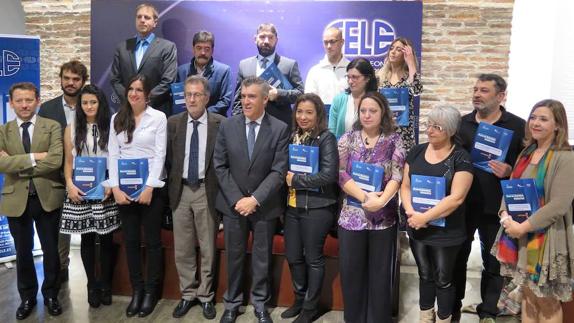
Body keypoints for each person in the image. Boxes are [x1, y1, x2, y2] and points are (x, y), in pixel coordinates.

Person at [214, 76, 289, 323]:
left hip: (264, 206)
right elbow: (220, 166)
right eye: (243, 96)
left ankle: (259, 304)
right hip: (233, 205)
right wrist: (238, 199)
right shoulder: (227, 126)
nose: (246, 101)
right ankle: (232, 304)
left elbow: (279, 171)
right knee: (233, 256)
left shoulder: (279, 129)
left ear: (265, 99)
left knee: (261, 257)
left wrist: (255, 199)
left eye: (252, 96)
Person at [453, 74, 525, 323]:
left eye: (484, 90)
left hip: (497, 207)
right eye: (475, 89)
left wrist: (510, 171)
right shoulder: (461, 124)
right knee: (457, 257)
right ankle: (453, 307)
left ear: (501, 96)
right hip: (461, 204)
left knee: (493, 263)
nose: (477, 94)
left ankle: (488, 312)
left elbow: (527, 166)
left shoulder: (517, 126)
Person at [494, 99, 574, 323]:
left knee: (546, 301)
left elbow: (560, 203)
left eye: (543, 119)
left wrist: (524, 227)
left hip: (546, 239)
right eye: (533, 117)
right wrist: (505, 217)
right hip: (519, 237)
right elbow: (509, 190)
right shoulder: (526, 153)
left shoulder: (566, 156)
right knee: (527, 296)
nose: (535, 123)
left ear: (558, 125)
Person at [400, 106, 474, 323]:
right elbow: (406, 186)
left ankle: (444, 318)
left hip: (447, 232)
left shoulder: (460, 157)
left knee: (443, 278)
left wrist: (425, 217)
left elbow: (457, 198)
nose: (430, 130)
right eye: (429, 124)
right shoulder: (416, 151)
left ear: (450, 130)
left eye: (437, 127)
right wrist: (411, 211)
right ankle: (425, 317)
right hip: (417, 226)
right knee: (424, 275)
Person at [337, 91, 405, 322]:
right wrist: (365, 198)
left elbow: (397, 175)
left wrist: (381, 201)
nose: (367, 115)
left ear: (383, 112)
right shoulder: (348, 138)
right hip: (352, 216)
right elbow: (340, 172)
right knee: (352, 273)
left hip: (383, 219)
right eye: (363, 111)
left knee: (380, 275)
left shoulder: (394, 140)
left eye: (372, 111)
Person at [0, 82, 65, 320]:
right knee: (23, 252)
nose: (25, 105)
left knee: (50, 250)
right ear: (11, 103)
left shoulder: (52, 126)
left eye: (29, 100)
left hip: (47, 197)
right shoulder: (2, 130)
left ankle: (51, 295)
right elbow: (0, 164)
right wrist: (35, 157)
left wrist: (16, 162)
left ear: (37, 100)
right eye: (19, 100)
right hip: (16, 200)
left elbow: (56, 160)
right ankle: (27, 297)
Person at [108, 74, 167, 317]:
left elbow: (160, 154)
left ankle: (151, 293)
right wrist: (115, 188)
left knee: (152, 242)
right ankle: (137, 291)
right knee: (131, 242)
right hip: (124, 190)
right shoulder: (116, 118)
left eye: (139, 89)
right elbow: (113, 154)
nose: (134, 93)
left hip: (151, 190)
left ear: (147, 94)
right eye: (131, 89)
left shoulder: (159, 118)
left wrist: (149, 187)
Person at [166, 75, 225, 319]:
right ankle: (188, 294)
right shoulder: (173, 123)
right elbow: (168, 160)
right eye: (188, 94)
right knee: (182, 248)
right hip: (179, 190)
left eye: (197, 94)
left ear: (206, 97)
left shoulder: (221, 123)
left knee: (208, 247)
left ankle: (206, 296)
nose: (191, 99)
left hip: (206, 190)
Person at [59, 84, 120, 308]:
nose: (88, 106)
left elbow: (115, 157)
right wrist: (69, 185)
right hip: (81, 189)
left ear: (100, 103)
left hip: (104, 187)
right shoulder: (72, 127)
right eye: (84, 103)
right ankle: (91, 285)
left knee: (105, 239)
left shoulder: (111, 125)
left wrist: (110, 184)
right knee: (86, 237)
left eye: (93, 102)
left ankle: (105, 284)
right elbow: (68, 161)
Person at [282, 94, 339, 323]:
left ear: (318, 115)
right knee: (294, 256)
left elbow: (329, 175)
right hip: (293, 206)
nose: (303, 117)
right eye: (299, 112)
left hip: (318, 207)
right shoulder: (292, 136)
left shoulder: (326, 138)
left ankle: (310, 307)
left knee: (313, 258)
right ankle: (298, 298)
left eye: (309, 112)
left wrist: (296, 181)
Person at [39, 59, 88, 283]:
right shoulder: (47, 109)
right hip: (56, 179)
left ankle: (94, 281)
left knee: (89, 231)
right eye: (66, 78)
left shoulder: (91, 106)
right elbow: (41, 145)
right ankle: (60, 272)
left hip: (88, 178)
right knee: (59, 232)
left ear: (83, 82)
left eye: (75, 79)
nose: (70, 83)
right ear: (60, 79)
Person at [231, 23, 304, 128]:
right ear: (255, 39)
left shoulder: (289, 65)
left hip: (280, 127)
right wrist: (237, 125)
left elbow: (301, 94)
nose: (266, 41)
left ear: (276, 40)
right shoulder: (244, 65)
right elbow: (238, 100)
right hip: (250, 126)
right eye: (262, 37)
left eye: (270, 37)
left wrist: (278, 94)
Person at [110, 3, 177, 115]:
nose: (142, 20)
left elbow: (168, 80)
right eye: (139, 17)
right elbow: (115, 79)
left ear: (155, 22)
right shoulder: (122, 47)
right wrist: (130, 99)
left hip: (156, 110)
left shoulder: (167, 47)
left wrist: (144, 100)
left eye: (147, 17)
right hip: (127, 111)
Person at [376, 37, 423, 151]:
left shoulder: (409, 76)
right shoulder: (379, 76)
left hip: (404, 135)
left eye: (398, 49)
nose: (393, 51)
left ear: (406, 54)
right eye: (391, 48)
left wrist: (411, 63)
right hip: (383, 132)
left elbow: (417, 90)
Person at [176, 31, 232, 117]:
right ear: (193, 49)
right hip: (187, 121)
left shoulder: (224, 71)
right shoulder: (181, 71)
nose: (203, 53)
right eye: (199, 48)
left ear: (212, 50)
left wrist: (203, 114)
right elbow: (179, 100)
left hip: (214, 122)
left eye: (207, 49)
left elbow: (225, 101)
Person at [328, 57, 378, 138]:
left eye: (355, 77)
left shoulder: (377, 101)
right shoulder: (339, 100)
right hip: (340, 148)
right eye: (348, 77)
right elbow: (331, 133)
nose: (350, 81)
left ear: (367, 78)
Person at [304, 27, 350, 106]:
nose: (328, 46)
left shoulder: (351, 69)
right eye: (325, 42)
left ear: (342, 42)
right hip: (322, 117)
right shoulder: (315, 71)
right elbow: (309, 102)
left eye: (332, 41)